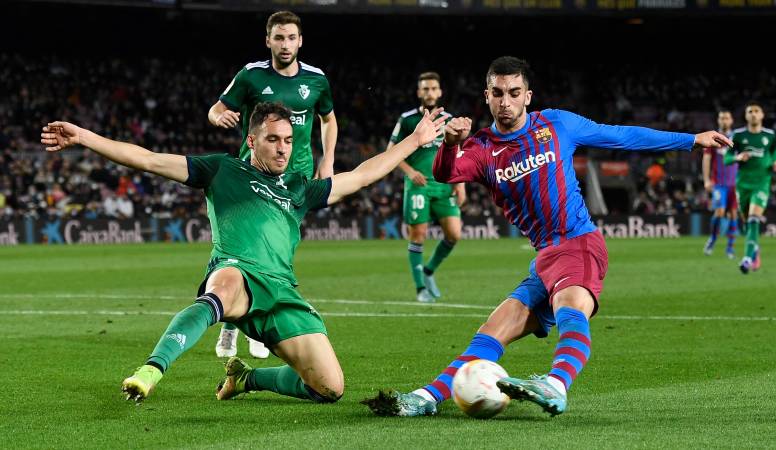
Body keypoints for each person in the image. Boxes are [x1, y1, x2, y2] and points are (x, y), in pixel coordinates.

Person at [363, 56, 730, 417]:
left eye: (514, 92)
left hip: (579, 243)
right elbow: (446, 174)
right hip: (545, 259)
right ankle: (425, 398)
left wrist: (691, 140)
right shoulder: (481, 148)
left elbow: (619, 135)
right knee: (491, 331)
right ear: (486, 96)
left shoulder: (557, 124)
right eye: (497, 93)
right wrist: (449, 143)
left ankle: (556, 384)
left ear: (528, 95)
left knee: (571, 309)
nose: (505, 101)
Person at [40, 101, 447, 404]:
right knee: (224, 284)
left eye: (288, 140)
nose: (283, 148)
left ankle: (245, 379)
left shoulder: (299, 187)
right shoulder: (223, 170)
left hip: (281, 292)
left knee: (329, 388)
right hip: (237, 272)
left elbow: (360, 176)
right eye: (273, 140)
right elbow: (147, 159)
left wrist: (414, 141)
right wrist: (84, 138)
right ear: (252, 140)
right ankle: (151, 369)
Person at [208, 10, 338, 358]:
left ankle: (253, 319)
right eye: (278, 38)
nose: (285, 44)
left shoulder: (316, 80)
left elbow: (329, 119)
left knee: (275, 250)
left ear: (301, 41)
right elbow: (215, 109)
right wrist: (219, 115)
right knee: (246, 249)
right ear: (268, 40)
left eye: (291, 37)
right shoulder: (251, 75)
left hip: (296, 180)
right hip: (252, 175)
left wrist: (328, 160)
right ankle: (233, 326)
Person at [387, 72, 465, 302]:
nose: (429, 92)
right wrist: (410, 172)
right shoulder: (408, 119)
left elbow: (458, 153)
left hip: (444, 185)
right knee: (418, 234)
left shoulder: (450, 120)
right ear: (419, 92)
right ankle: (421, 288)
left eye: (433, 89)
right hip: (418, 185)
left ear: (439, 92)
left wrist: (460, 183)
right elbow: (391, 152)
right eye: (425, 89)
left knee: (454, 233)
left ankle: (429, 271)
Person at [724, 101, 776, 274]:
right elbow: (727, 158)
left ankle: (747, 258)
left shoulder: (770, 135)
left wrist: (775, 163)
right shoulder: (738, 135)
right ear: (746, 115)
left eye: (757, 111)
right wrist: (738, 157)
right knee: (746, 223)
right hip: (743, 184)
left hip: (762, 183)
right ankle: (754, 248)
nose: (754, 114)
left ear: (762, 115)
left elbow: (774, 154)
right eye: (750, 111)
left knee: (754, 219)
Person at [702, 109, 738, 259]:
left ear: (731, 121)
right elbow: (707, 159)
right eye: (721, 118)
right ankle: (712, 239)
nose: (724, 121)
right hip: (719, 183)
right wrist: (706, 179)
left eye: (726, 118)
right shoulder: (714, 137)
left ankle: (730, 248)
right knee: (720, 211)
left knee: (734, 214)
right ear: (718, 121)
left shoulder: (738, 137)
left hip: (735, 184)